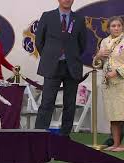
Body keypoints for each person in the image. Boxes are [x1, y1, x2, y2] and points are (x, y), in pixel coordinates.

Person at [34, 0, 87, 136]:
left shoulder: (79, 19)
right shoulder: (47, 16)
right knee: (47, 103)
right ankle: (39, 136)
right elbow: (39, 41)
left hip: (72, 66)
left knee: (69, 105)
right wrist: (51, 56)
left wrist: (71, 56)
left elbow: (82, 44)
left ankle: (65, 137)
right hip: (52, 66)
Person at [94, 16, 124, 152]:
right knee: (114, 116)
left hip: (122, 82)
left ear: (122, 27)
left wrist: (117, 72)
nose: (116, 28)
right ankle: (116, 144)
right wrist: (98, 56)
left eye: (118, 25)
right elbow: (98, 65)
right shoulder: (105, 42)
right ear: (108, 28)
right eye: (113, 26)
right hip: (109, 84)